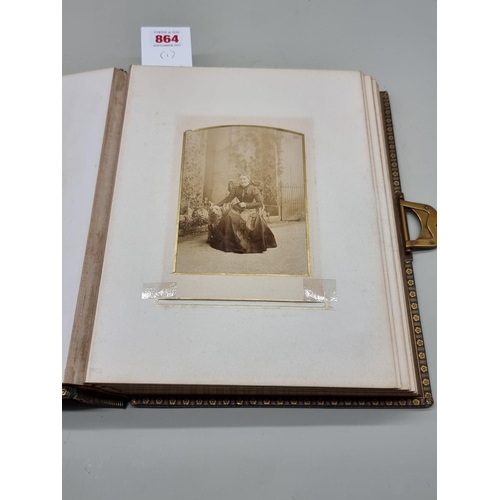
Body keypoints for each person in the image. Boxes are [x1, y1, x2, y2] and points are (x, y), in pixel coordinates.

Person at [209, 174, 277, 253]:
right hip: (239, 207)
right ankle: (230, 242)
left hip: (250, 208)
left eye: (244, 179)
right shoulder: (236, 189)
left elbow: (259, 203)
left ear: (248, 180)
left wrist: (246, 204)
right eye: (241, 179)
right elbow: (228, 199)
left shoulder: (253, 189)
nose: (242, 181)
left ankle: (250, 243)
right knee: (229, 216)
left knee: (251, 220)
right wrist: (217, 205)